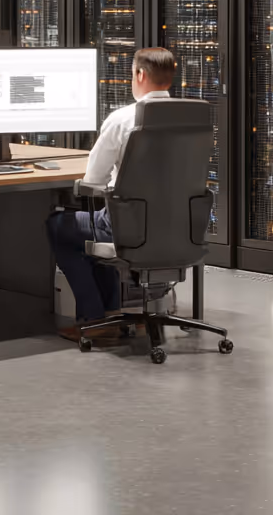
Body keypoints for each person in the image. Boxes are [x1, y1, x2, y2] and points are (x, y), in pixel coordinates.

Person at [45, 46, 177, 342]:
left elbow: (93, 181)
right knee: (92, 227)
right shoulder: (191, 116)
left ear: (139, 74)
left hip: (129, 228)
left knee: (59, 225)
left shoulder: (122, 120)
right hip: (180, 228)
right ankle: (115, 313)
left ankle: (94, 319)